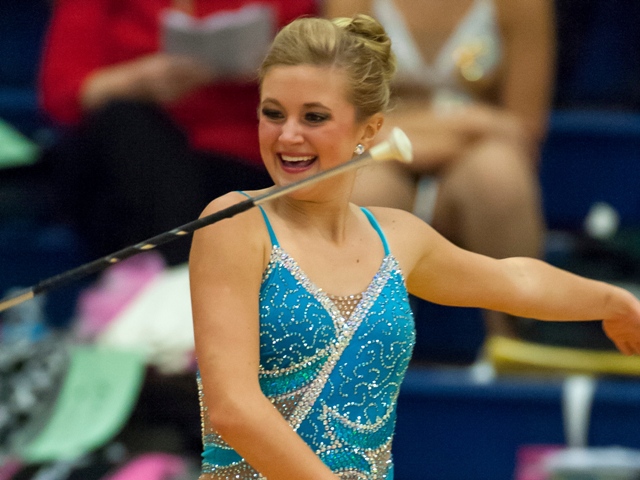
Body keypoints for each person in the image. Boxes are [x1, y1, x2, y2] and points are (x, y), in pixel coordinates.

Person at [189, 14, 640, 479]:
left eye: (315, 117)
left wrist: (611, 301)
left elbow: (516, 280)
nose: (288, 135)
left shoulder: (399, 238)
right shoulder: (236, 222)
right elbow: (233, 407)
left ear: (369, 130)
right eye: (273, 113)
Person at [323, 0, 556, 338]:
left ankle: (514, 345)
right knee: (366, 191)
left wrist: (410, 135)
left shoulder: (522, 6)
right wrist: (471, 123)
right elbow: (341, 117)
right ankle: (351, 354)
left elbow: (522, 127)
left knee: (499, 177)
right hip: (383, 148)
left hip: (471, 157)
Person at [37, 0, 317, 266]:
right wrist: (140, 82)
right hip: (143, 161)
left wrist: (278, 69)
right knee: (124, 122)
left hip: (251, 152)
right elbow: (60, 95)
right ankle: (179, 276)